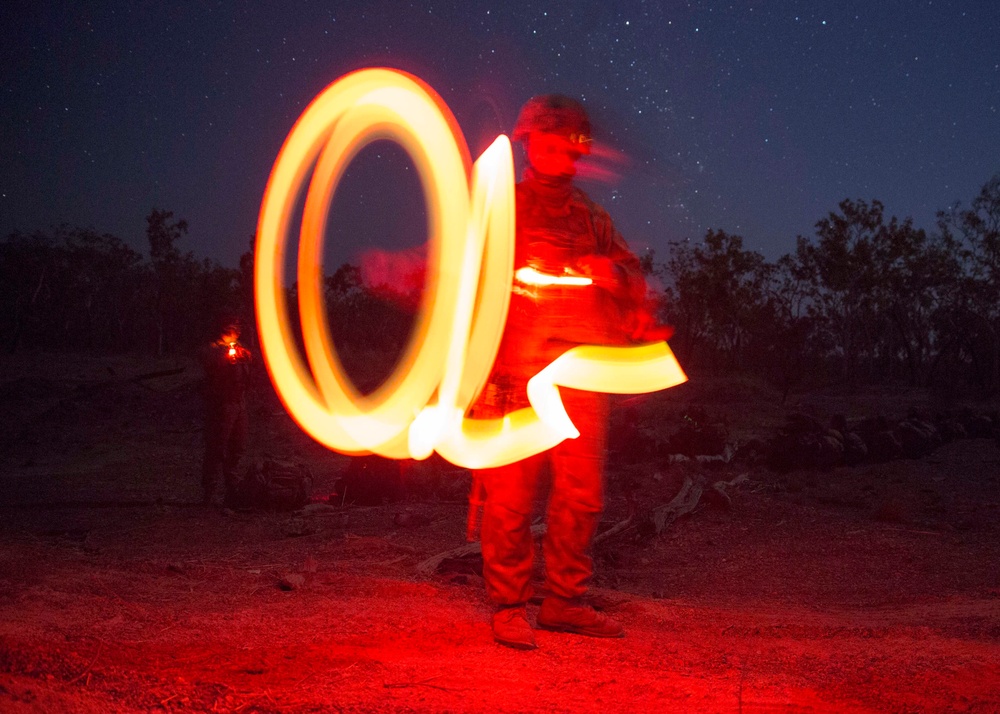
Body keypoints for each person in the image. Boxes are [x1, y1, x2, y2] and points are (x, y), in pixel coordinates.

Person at [473, 95, 665, 650]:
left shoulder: (592, 216)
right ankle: (509, 604)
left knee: (581, 494)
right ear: (530, 141)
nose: (565, 151)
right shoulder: (503, 209)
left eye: (572, 142)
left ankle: (564, 601)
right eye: (553, 140)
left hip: (581, 370)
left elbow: (632, 276)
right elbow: (466, 287)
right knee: (510, 494)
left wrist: (612, 273)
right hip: (514, 369)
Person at [199, 313, 253, 507]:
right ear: (224, 327)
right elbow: (208, 361)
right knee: (217, 447)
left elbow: (250, 373)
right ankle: (209, 493)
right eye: (233, 325)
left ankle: (233, 489)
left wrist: (245, 357)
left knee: (238, 446)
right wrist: (225, 359)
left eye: (238, 326)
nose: (237, 329)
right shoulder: (212, 348)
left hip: (239, 403)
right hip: (221, 404)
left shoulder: (241, 348)